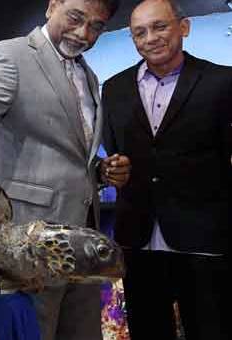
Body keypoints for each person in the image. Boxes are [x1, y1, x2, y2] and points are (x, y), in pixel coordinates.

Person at [0, 1, 130, 339]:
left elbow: (68, 154)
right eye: (76, 18)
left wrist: (100, 171)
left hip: (82, 242)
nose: (83, 34)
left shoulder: (89, 76)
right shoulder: (10, 56)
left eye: (96, 26)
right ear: (53, 6)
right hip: (29, 243)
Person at [102, 1, 229, 339]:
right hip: (137, 241)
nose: (150, 38)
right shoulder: (113, 89)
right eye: (139, 33)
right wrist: (110, 171)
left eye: (160, 26)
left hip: (204, 242)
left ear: (183, 27)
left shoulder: (222, 82)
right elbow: (112, 155)